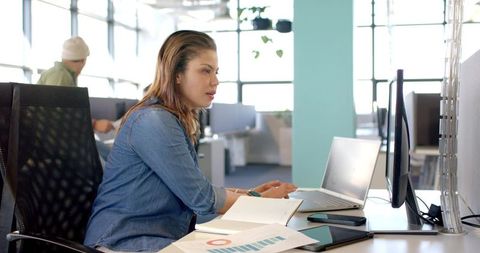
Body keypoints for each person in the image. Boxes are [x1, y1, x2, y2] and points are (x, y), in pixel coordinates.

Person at [83, 30, 297, 252]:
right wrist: (262, 203)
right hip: (122, 241)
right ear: (177, 74)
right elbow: (201, 198)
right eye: (205, 71)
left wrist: (252, 195)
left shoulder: (176, 119)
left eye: (216, 72)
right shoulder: (153, 120)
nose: (215, 81)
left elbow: (193, 187)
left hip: (160, 237)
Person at [37, 36, 114, 160]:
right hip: (58, 143)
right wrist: (94, 124)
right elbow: (59, 115)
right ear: (83, 61)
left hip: (54, 140)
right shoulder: (61, 76)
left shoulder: (56, 73)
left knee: (107, 152)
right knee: (112, 157)